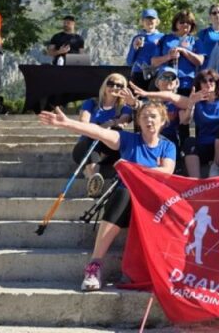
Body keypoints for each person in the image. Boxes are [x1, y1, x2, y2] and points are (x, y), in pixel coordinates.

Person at [38, 101, 176, 291]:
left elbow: (167, 172)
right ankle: (94, 266)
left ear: (163, 121)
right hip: (125, 201)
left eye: (153, 116)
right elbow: (99, 132)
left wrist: (133, 169)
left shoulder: (168, 146)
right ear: (138, 121)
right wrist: (67, 123)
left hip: (150, 203)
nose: (148, 120)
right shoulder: (128, 139)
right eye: (144, 116)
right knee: (123, 192)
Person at [72, 73, 134, 197]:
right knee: (91, 137)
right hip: (87, 146)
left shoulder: (125, 108)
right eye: (111, 83)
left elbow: (123, 120)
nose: (114, 87)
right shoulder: (91, 103)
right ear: (105, 85)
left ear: (124, 89)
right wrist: (100, 129)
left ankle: (91, 176)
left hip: (110, 149)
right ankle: (94, 178)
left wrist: (112, 123)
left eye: (119, 85)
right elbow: (83, 123)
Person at [181, 69, 219, 178]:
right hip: (204, 145)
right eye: (204, 81)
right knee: (189, 141)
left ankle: (215, 166)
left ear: (217, 82)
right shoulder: (196, 100)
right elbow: (185, 121)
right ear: (199, 84)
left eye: (211, 80)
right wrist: (191, 103)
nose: (208, 83)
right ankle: (195, 182)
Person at [152, 9, 204, 96]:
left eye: (188, 22)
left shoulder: (195, 41)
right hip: (166, 83)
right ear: (176, 23)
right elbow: (154, 62)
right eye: (182, 22)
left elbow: (200, 61)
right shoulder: (165, 39)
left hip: (186, 83)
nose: (185, 24)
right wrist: (169, 56)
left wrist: (183, 51)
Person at [125, 8, 164, 90]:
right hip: (139, 73)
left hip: (156, 74)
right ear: (142, 22)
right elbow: (129, 61)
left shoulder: (162, 37)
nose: (149, 21)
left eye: (152, 19)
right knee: (137, 97)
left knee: (154, 97)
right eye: (147, 19)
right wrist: (135, 48)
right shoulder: (137, 38)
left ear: (157, 21)